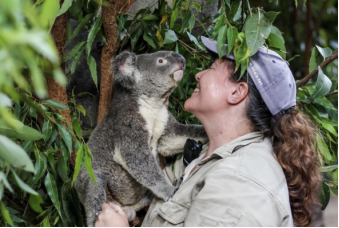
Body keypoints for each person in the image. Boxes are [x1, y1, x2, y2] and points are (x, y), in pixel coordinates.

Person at [94, 37, 322, 227]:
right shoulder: (205, 155)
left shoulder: (240, 186)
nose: (198, 74)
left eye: (212, 68)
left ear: (237, 93)